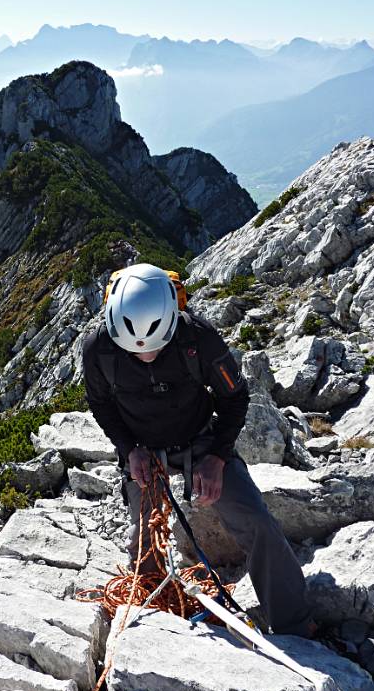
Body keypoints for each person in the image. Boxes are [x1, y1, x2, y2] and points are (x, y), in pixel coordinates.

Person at [82, 262, 316, 638]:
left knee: (256, 521)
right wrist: (129, 451)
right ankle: (153, 607)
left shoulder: (199, 338)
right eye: (136, 352)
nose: (146, 357)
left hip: (202, 441)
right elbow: (101, 405)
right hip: (144, 451)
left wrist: (217, 458)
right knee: (143, 541)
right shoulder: (99, 349)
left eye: (155, 348)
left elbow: (235, 399)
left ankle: (296, 625)